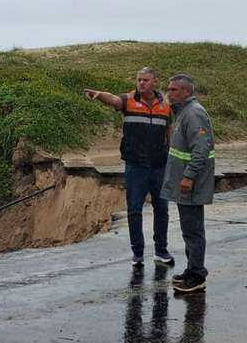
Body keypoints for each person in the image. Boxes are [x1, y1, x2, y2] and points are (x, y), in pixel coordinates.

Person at [85, 68, 175, 267]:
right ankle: (138, 253)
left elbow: (170, 134)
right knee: (134, 210)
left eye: (145, 80)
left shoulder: (165, 106)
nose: (141, 83)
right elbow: (114, 100)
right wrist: (100, 95)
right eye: (139, 80)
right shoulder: (128, 100)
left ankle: (161, 250)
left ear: (154, 82)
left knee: (162, 209)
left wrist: (172, 161)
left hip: (159, 166)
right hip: (136, 166)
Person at [160, 73, 215, 293]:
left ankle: (198, 275)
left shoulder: (194, 114)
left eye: (173, 90)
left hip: (191, 183)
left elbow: (201, 150)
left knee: (193, 231)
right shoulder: (183, 113)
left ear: (186, 92)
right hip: (185, 183)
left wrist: (189, 177)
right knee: (188, 230)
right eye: (168, 89)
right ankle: (192, 269)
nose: (169, 93)